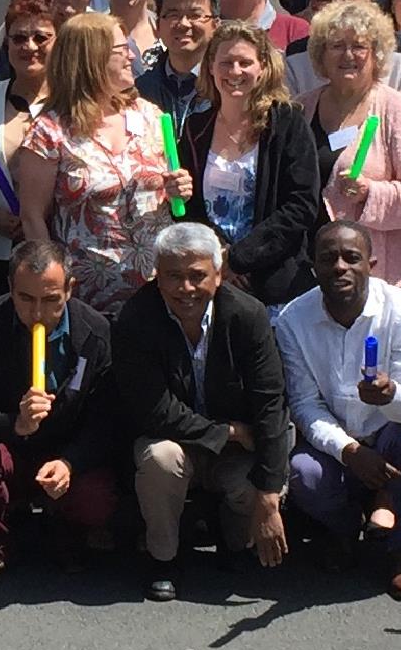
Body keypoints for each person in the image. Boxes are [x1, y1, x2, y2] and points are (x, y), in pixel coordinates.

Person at [114, 222, 291, 601]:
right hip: (177, 440)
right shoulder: (136, 318)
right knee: (160, 460)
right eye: (173, 276)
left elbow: (271, 403)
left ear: (219, 273)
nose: (186, 288)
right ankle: (163, 558)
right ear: (156, 275)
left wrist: (269, 495)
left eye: (197, 276)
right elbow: (152, 409)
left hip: (239, 446)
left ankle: (233, 541)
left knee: (259, 480)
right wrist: (225, 432)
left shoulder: (248, 315)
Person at [276, 222, 401, 600]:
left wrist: (391, 395)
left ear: (372, 264)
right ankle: (345, 528)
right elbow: (304, 404)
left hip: (393, 431)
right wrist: (349, 451)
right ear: (313, 267)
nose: (340, 267)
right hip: (338, 439)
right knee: (303, 472)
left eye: (352, 258)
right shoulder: (293, 320)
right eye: (328, 258)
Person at [0, 241, 126, 587]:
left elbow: (106, 421)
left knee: (97, 495)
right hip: (9, 449)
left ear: (69, 289)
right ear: (10, 288)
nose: (38, 313)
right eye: (26, 299)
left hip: (65, 451)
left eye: (51, 300)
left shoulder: (94, 332)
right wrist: (15, 424)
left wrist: (71, 462)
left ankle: (67, 532)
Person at [16, 12, 188, 316]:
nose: (132, 56)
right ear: (91, 59)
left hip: (157, 294)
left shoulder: (150, 116)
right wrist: (52, 285)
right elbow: (32, 217)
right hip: (87, 301)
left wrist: (180, 189)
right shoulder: (50, 132)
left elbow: (169, 194)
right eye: (122, 49)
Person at [181, 22, 327, 305]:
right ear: (210, 67)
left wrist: (238, 259)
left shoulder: (288, 123)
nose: (235, 71)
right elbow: (189, 205)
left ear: (263, 67)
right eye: (226, 63)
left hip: (274, 284)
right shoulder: (195, 128)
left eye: (245, 62)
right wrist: (217, 257)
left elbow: (301, 205)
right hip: (210, 280)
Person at [301, 0, 401, 286]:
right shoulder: (302, 109)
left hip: (379, 272)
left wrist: (371, 193)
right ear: (321, 54)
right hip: (309, 268)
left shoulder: (396, 110)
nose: (348, 55)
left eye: (359, 46)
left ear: (376, 53)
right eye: (337, 45)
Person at [0, 0, 61, 306]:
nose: (29, 46)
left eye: (41, 37)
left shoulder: (73, 105)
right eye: (19, 38)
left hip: (58, 256)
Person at [134, 0, 221, 123]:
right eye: (173, 15)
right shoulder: (143, 89)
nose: (184, 24)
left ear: (216, 25)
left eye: (195, 15)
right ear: (158, 26)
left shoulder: (226, 85)